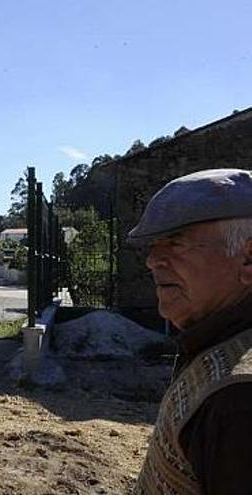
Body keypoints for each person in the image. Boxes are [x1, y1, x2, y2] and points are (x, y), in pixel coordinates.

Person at [129, 169, 252, 494]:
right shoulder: (217, 346)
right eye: (154, 245)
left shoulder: (238, 400)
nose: (153, 260)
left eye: (176, 241)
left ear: (249, 257)